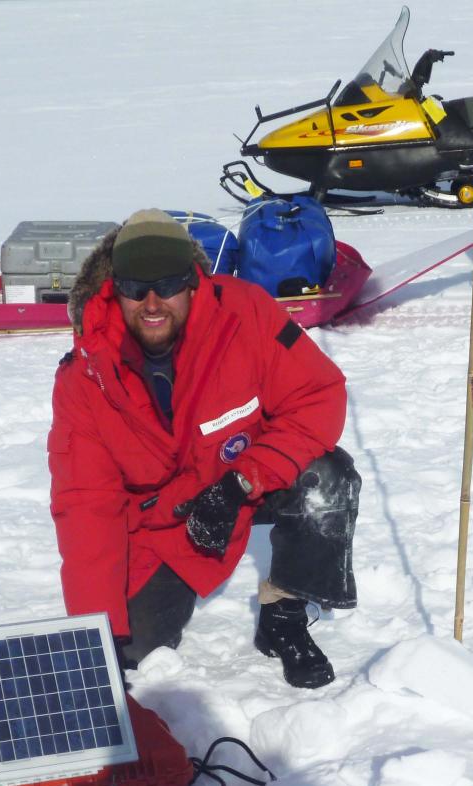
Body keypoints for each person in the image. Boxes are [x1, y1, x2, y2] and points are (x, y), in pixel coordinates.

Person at [48, 209, 359, 688]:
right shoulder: (85, 376)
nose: (152, 303)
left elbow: (319, 397)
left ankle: (285, 614)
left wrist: (240, 484)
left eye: (168, 284)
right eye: (135, 288)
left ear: (193, 283)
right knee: (129, 648)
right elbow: (87, 507)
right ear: (115, 288)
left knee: (326, 475)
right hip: (162, 524)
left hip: (243, 479)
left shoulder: (246, 314)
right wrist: (97, 634)